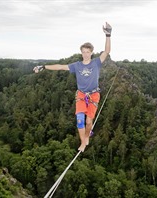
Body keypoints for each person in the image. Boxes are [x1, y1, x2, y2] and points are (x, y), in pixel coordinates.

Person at [33, 22, 112, 152]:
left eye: (88, 52)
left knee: (88, 122)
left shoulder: (96, 63)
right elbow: (60, 66)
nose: (85, 54)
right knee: (80, 120)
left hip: (93, 95)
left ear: (91, 53)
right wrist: (44, 67)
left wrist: (108, 34)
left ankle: (87, 135)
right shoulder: (77, 65)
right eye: (83, 52)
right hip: (81, 94)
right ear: (81, 53)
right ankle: (83, 142)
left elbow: (107, 51)